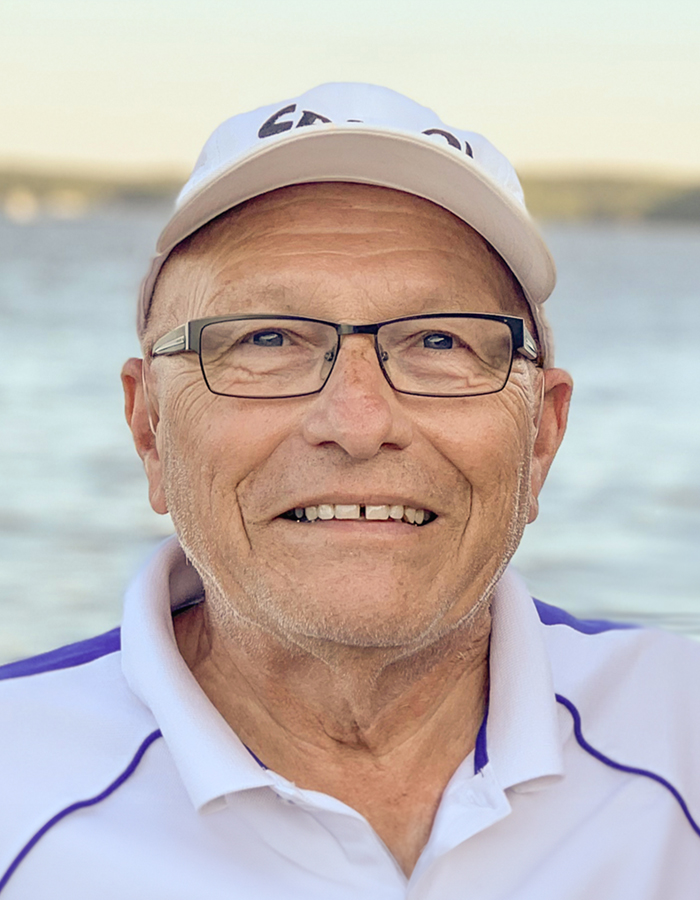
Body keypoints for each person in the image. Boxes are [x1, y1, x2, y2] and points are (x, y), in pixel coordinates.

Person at [0, 83, 698, 899]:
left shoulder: (680, 733)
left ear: (541, 434)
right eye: (267, 339)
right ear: (150, 428)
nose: (359, 423)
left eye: (440, 340)